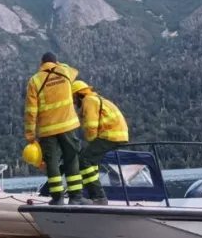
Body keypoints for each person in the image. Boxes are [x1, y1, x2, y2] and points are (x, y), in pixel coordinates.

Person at [24, 52, 91, 206]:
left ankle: (57, 198)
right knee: (71, 158)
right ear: (55, 62)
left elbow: (30, 111)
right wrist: (56, 65)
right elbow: (73, 70)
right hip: (68, 125)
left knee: (52, 163)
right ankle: (76, 197)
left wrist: (30, 135)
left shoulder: (34, 80)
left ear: (41, 63)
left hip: (47, 130)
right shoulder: (65, 71)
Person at [71, 81, 128, 205]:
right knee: (90, 160)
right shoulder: (96, 99)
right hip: (116, 134)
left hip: (110, 135)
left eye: (73, 98)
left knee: (83, 160)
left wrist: (90, 143)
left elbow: (91, 126)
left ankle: (99, 197)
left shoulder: (89, 101)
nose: (74, 102)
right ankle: (95, 195)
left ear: (78, 95)